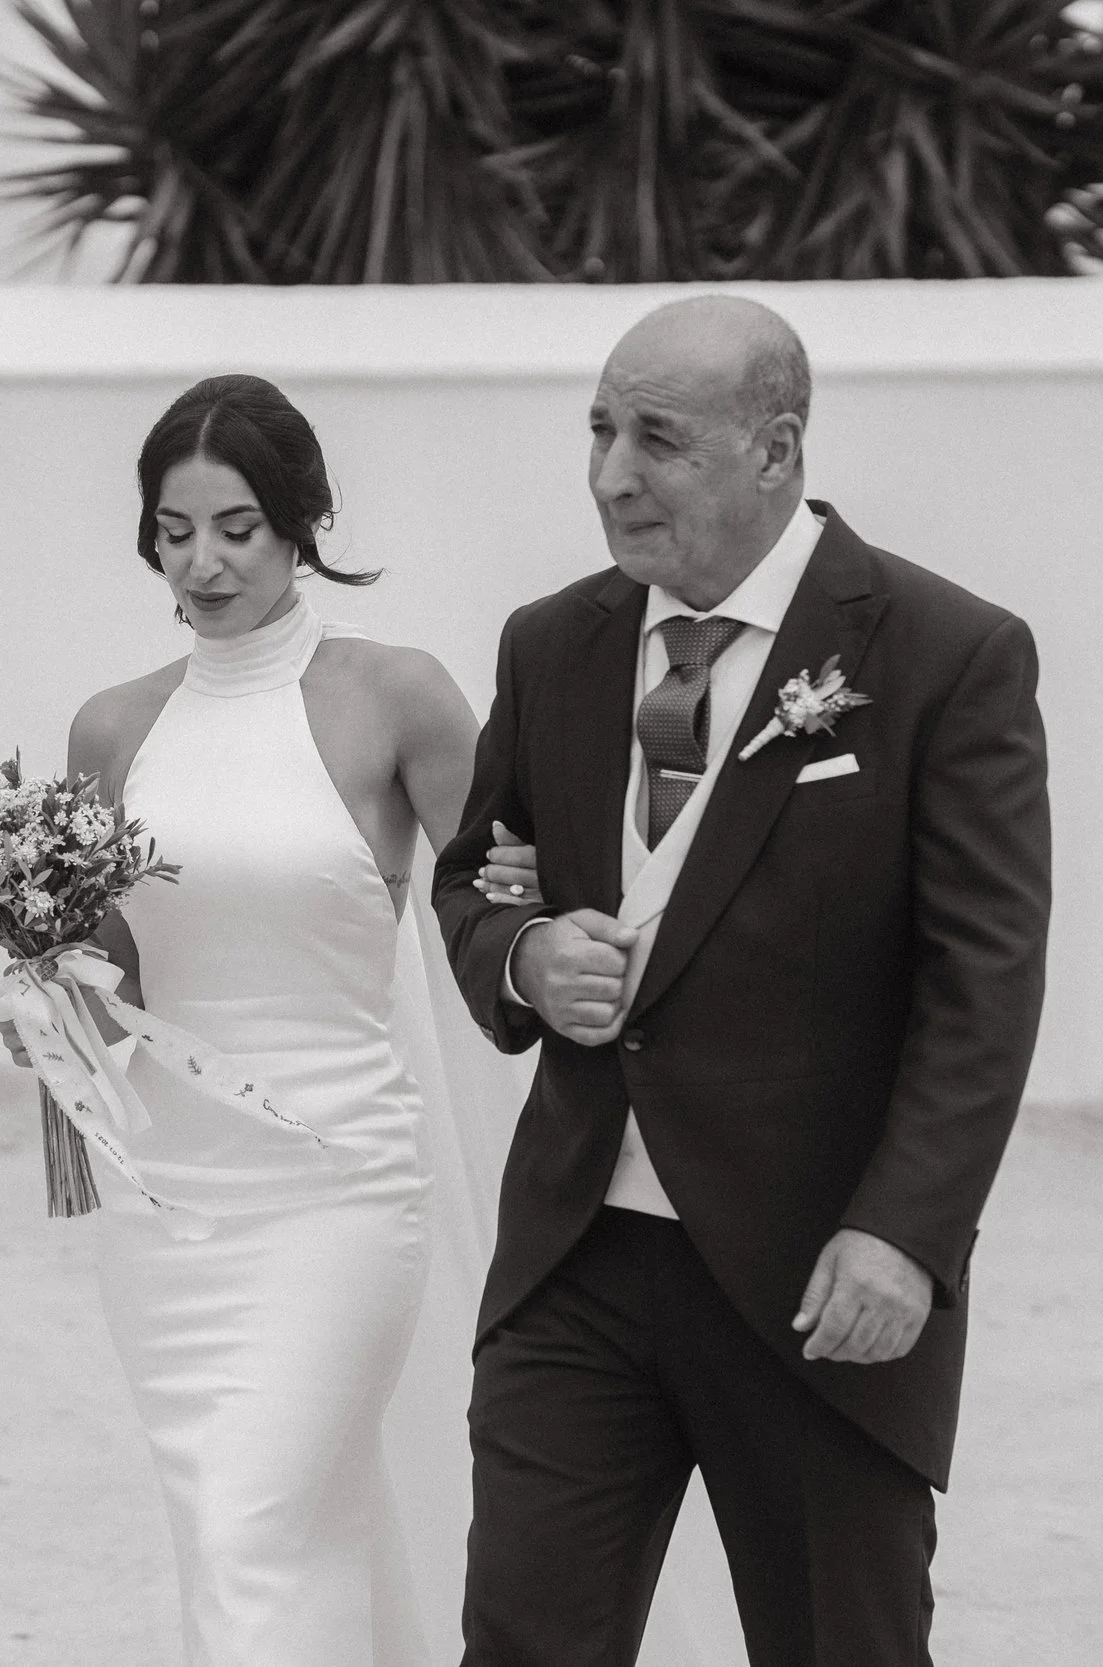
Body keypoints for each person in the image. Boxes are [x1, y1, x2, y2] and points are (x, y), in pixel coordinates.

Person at [433, 296, 1051, 1667]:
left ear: (775, 450)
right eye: (598, 430)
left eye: (655, 438)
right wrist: (525, 959)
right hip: (576, 1258)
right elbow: (472, 877)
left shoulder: (946, 655)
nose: (610, 475)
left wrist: (908, 1229)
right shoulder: (553, 643)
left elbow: (985, 980)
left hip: (819, 1273)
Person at [0, 373, 539, 1667]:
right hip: (165, 1209)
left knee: (254, 1527)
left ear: (302, 520)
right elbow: (113, 978)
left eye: (236, 525)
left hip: (337, 1192)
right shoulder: (113, 728)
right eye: (174, 530)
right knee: (257, 1537)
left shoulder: (394, 695)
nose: (203, 560)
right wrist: (38, 989)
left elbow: (495, 910)